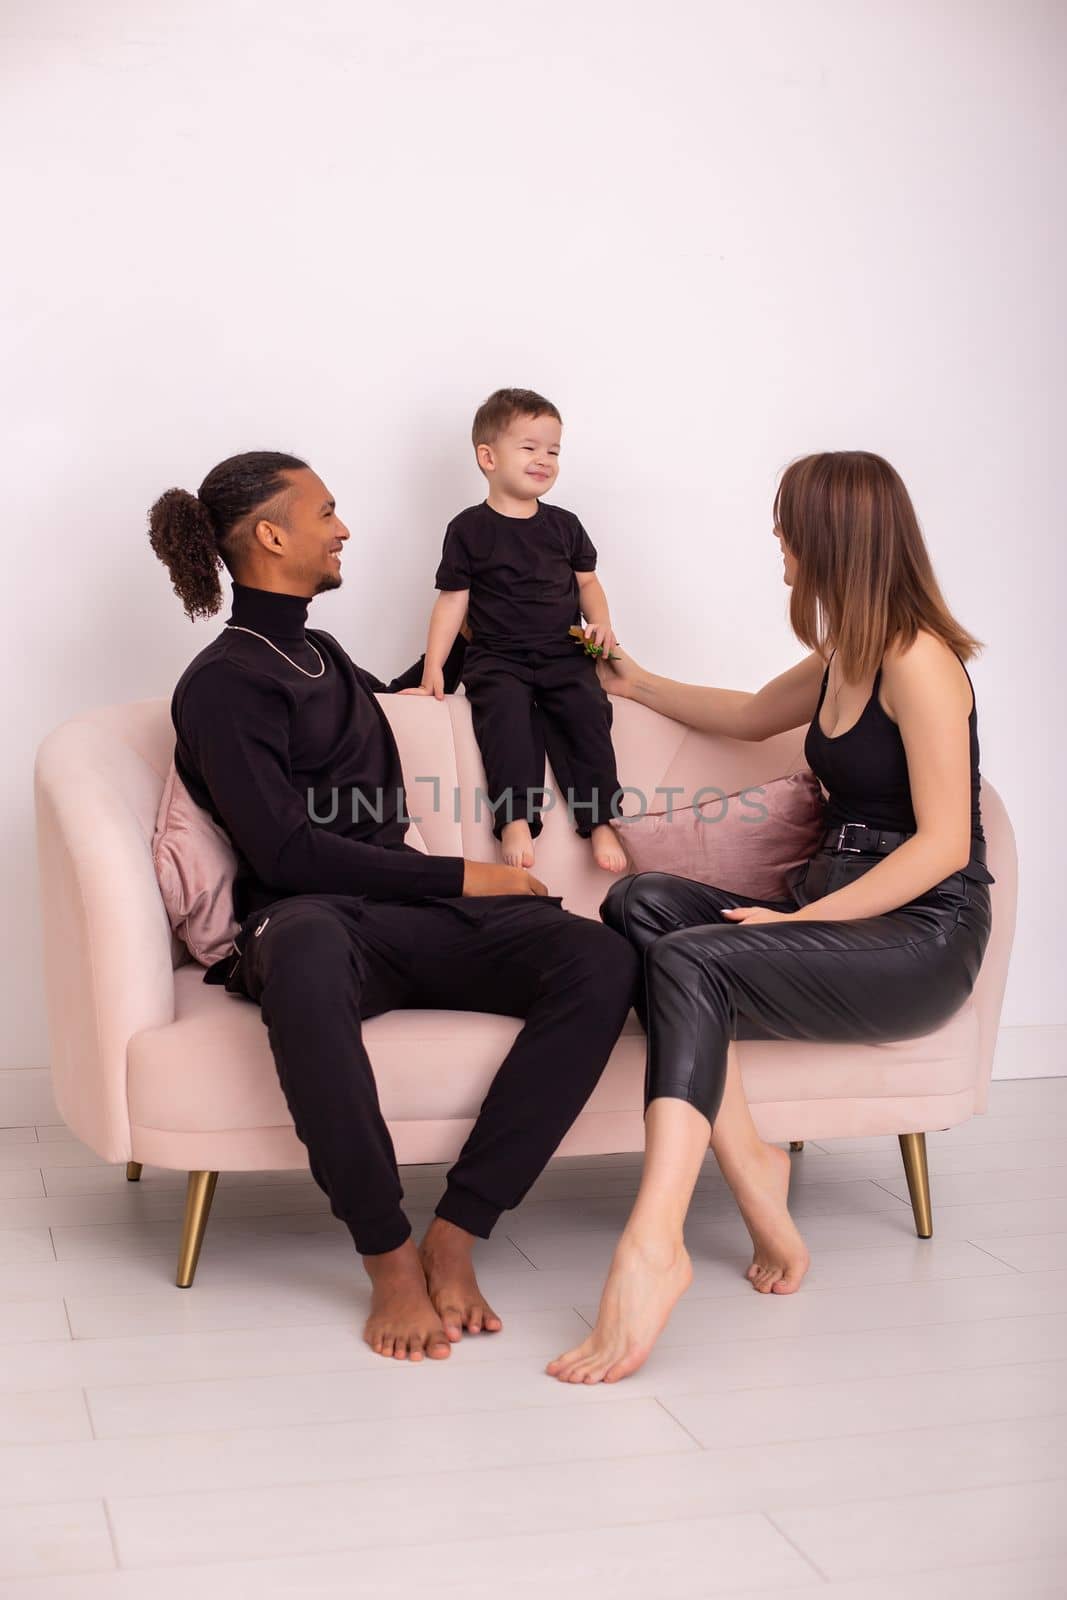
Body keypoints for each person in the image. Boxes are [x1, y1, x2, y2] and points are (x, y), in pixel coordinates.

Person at [147, 451, 639, 1364]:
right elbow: (284, 852)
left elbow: (419, 686)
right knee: (304, 948)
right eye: (325, 512)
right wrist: (467, 875)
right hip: (302, 920)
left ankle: (456, 1232)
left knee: (599, 957)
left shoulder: (317, 652)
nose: (343, 529)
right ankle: (387, 1258)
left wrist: (527, 644)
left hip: (393, 911)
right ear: (270, 534)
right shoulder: (224, 683)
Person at [548, 450, 994, 1386]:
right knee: (641, 901)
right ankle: (750, 1158)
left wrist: (806, 923)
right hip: (834, 908)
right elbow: (751, 716)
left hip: (916, 936)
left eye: (786, 525)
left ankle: (654, 1245)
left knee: (691, 962)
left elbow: (945, 843)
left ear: (830, 537)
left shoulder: (919, 662)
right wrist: (628, 680)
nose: (778, 543)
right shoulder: (844, 656)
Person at [409, 388, 628, 873]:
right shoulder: (468, 529)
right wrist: (433, 666)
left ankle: (599, 821)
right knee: (504, 721)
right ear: (488, 457)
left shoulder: (564, 526)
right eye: (529, 447)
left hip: (563, 652)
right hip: (497, 656)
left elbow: (588, 583)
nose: (544, 459)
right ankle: (515, 818)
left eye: (553, 450)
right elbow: (451, 601)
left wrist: (602, 624)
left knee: (588, 714)